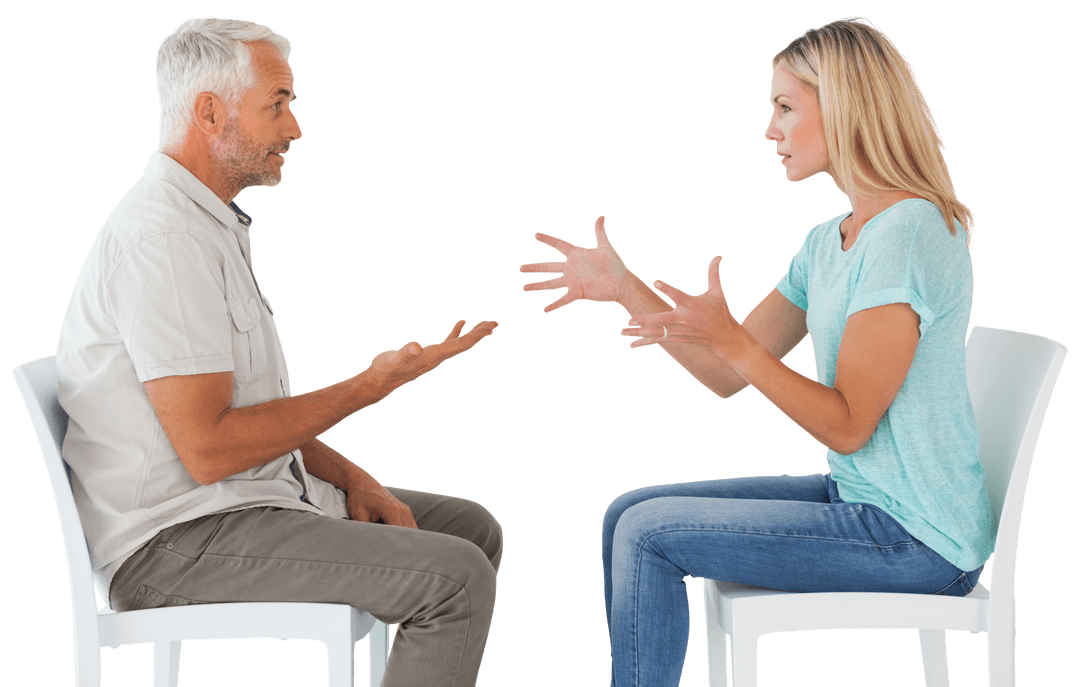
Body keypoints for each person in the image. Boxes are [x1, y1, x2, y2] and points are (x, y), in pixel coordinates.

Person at [520, 16, 990, 687]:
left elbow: (849, 424)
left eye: (784, 107)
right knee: (626, 514)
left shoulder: (906, 234)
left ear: (846, 105)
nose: (770, 130)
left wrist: (736, 343)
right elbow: (723, 370)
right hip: (861, 502)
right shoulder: (833, 240)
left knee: (649, 534)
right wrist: (627, 288)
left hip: (916, 541)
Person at [56, 16, 501, 687]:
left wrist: (351, 476)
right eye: (277, 105)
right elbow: (209, 449)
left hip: (240, 504)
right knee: (454, 579)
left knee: (469, 532)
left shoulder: (210, 225)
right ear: (209, 112)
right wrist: (369, 386)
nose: (294, 129)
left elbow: (252, 414)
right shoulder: (162, 240)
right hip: (174, 544)